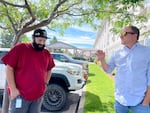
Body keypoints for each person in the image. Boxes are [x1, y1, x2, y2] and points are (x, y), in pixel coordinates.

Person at [96, 26, 150, 113]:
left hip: (140, 101)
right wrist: (102, 59)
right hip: (120, 100)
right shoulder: (117, 53)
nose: (121, 36)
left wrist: (146, 101)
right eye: (120, 34)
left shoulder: (147, 52)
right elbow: (108, 70)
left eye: (124, 34)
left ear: (134, 35)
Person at [1, 28, 55, 113]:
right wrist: (13, 89)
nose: (42, 43)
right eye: (40, 40)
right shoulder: (21, 48)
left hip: (38, 96)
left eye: (44, 41)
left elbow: (49, 69)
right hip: (20, 94)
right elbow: (9, 68)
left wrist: (45, 84)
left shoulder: (46, 53)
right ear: (33, 38)